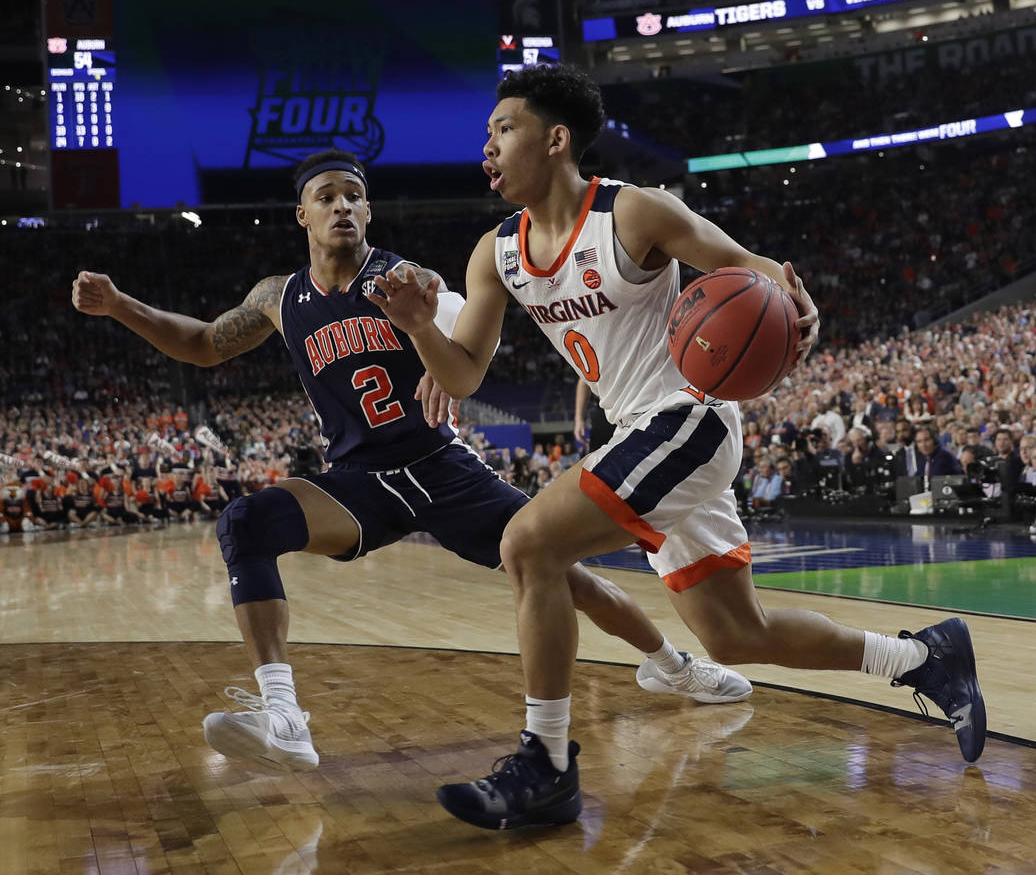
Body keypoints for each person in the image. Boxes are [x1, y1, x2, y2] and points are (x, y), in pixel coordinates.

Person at [369, 64, 986, 829]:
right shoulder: (494, 253)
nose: (487, 146)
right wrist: (419, 326)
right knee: (734, 633)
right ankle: (927, 657)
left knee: (526, 542)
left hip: (688, 416)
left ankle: (547, 763)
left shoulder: (633, 214)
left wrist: (801, 305)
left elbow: (752, 270)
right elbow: (460, 377)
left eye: (502, 129)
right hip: (642, 436)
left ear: (555, 139)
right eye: (487, 134)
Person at [71, 148, 749, 775]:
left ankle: (671, 664)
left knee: (568, 578)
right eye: (327, 196)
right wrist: (118, 305)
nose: (342, 206)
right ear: (301, 214)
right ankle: (283, 714)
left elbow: (461, 336)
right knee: (246, 522)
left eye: (354, 196)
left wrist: (441, 357)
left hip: (441, 468)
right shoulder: (278, 297)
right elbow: (205, 343)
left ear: (369, 211)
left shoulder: (405, 279)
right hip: (358, 483)